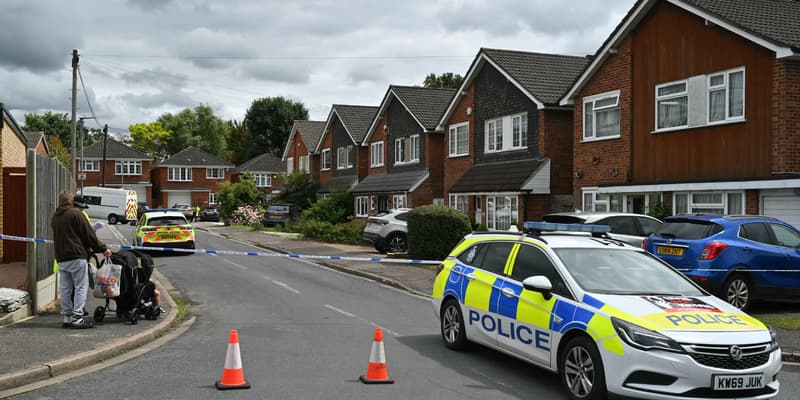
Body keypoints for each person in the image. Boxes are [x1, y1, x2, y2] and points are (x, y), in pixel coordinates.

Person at [52, 190, 112, 329]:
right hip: (76, 255)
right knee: (80, 287)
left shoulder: (55, 216)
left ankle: (67, 317)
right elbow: (89, 235)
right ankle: (77, 317)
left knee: (66, 288)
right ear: (71, 201)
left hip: (61, 257)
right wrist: (103, 249)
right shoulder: (76, 214)